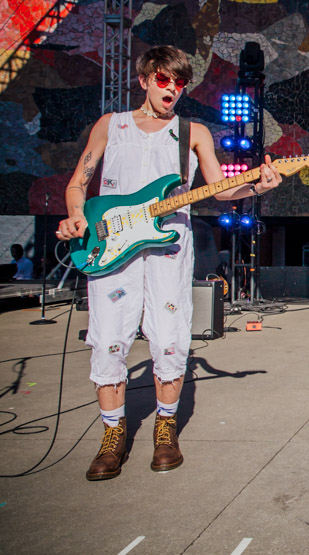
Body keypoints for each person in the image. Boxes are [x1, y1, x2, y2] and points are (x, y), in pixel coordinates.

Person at [55, 46, 284, 481]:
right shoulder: (111, 125)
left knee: (170, 340)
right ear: (144, 80)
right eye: (164, 80)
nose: (172, 89)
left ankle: (165, 430)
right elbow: (77, 183)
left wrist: (257, 185)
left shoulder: (192, 132)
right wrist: (76, 216)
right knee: (109, 340)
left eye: (179, 83)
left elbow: (219, 190)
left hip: (169, 248)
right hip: (111, 245)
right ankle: (112, 435)